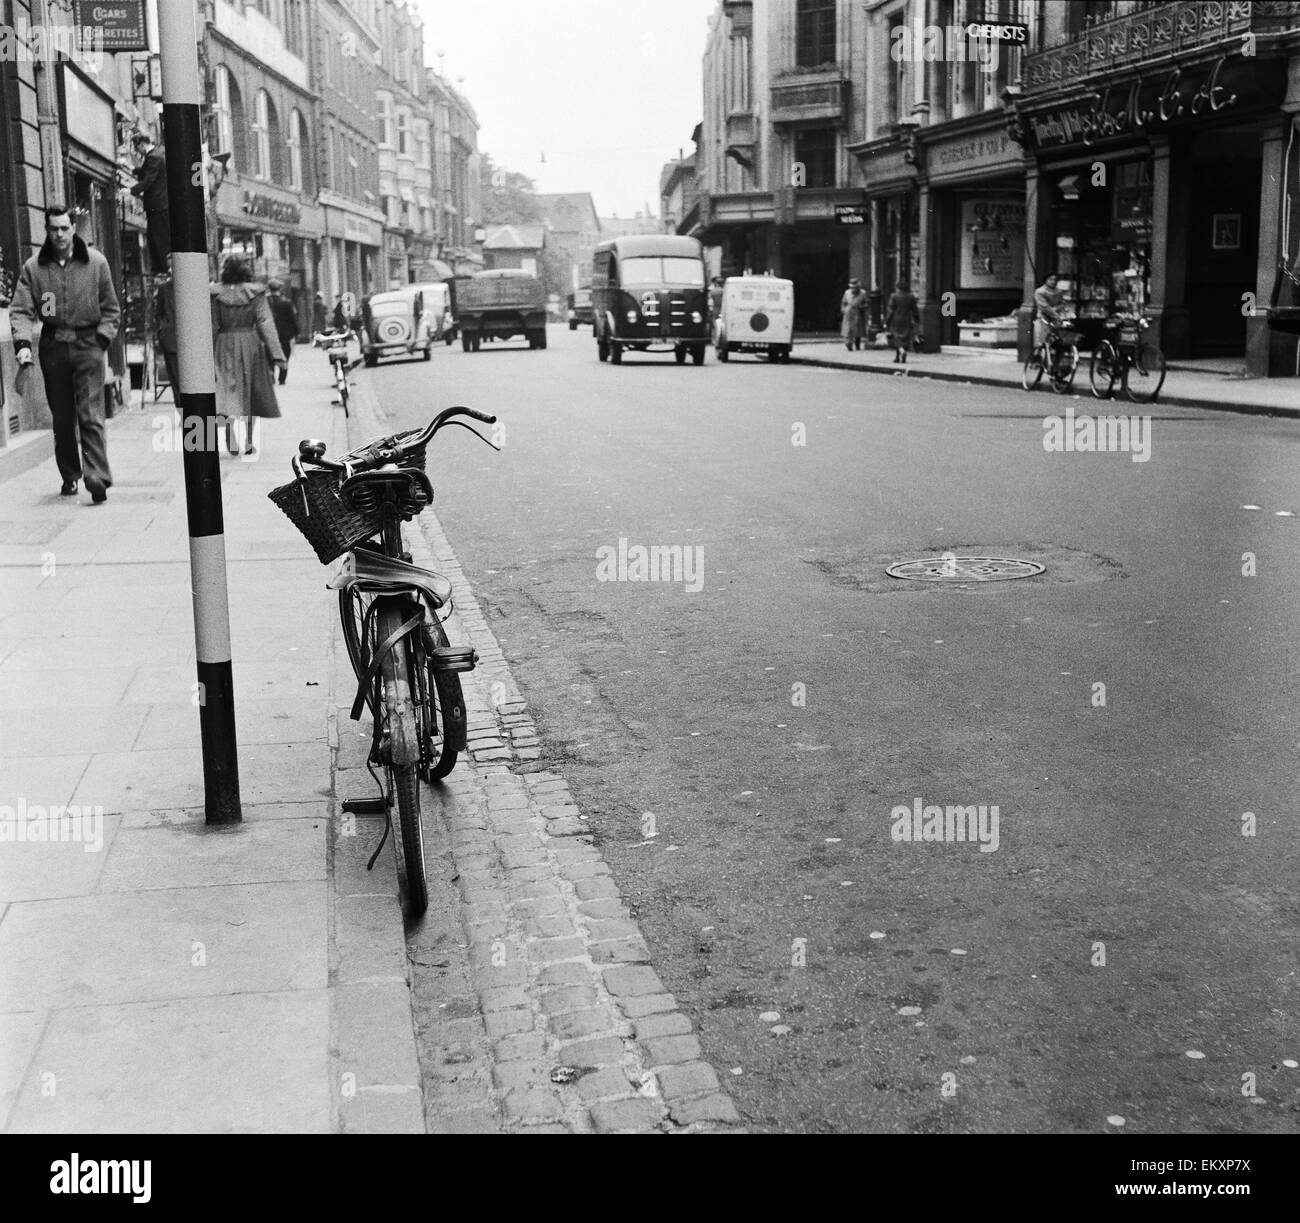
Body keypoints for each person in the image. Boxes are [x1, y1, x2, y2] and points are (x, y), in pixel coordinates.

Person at [10, 204, 121, 502]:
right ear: (46, 230)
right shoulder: (34, 268)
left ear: (74, 228)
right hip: (53, 347)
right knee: (62, 417)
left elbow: (111, 309)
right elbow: (21, 310)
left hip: (89, 346)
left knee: (90, 414)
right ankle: (70, 475)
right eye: (53, 228)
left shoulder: (96, 263)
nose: (59, 234)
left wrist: (101, 339)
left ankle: (96, 476)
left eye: (64, 228)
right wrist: (22, 345)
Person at [211, 257, 285, 456]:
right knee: (252, 391)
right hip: (251, 344)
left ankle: (230, 435)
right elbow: (265, 323)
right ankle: (250, 441)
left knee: (227, 391)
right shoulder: (256, 293)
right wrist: (278, 356)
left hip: (223, 344)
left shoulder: (216, 293)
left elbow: (213, 326)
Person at [130, 133, 170, 273]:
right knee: (155, 237)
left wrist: (131, 191)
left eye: (137, 147)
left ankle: (163, 269)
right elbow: (147, 172)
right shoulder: (154, 156)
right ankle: (161, 268)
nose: (137, 151)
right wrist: (134, 170)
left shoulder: (154, 157)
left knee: (159, 238)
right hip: (158, 205)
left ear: (142, 143)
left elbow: (148, 179)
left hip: (158, 205)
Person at [266, 281, 299, 385]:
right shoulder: (286, 302)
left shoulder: (265, 301)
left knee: (270, 354)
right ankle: (282, 378)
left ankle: (271, 374)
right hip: (285, 334)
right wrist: (296, 332)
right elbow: (292, 319)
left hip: (269, 333)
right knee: (285, 355)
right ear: (279, 289)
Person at [885, 278, 921, 364]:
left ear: (898, 287)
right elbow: (915, 310)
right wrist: (917, 319)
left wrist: (887, 321)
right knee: (905, 337)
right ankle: (898, 357)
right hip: (907, 319)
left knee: (897, 337)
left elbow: (890, 310)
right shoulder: (911, 296)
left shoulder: (894, 296)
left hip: (896, 319)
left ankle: (901, 351)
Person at [1033, 272, 1065, 350]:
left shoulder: (1059, 291)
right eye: (1051, 279)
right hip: (1043, 319)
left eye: (1055, 280)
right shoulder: (1040, 292)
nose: (1053, 281)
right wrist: (1056, 315)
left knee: (1057, 343)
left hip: (1055, 321)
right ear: (1046, 280)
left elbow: (1062, 303)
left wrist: (1056, 309)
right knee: (1041, 343)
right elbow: (1044, 307)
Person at [840, 278, 868, 351]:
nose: (854, 289)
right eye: (852, 287)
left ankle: (857, 344)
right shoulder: (847, 293)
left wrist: (862, 307)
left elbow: (867, 303)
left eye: (855, 287)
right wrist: (843, 309)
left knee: (857, 330)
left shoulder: (863, 293)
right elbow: (843, 302)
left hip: (858, 312)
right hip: (848, 313)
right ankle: (849, 344)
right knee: (848, 329)